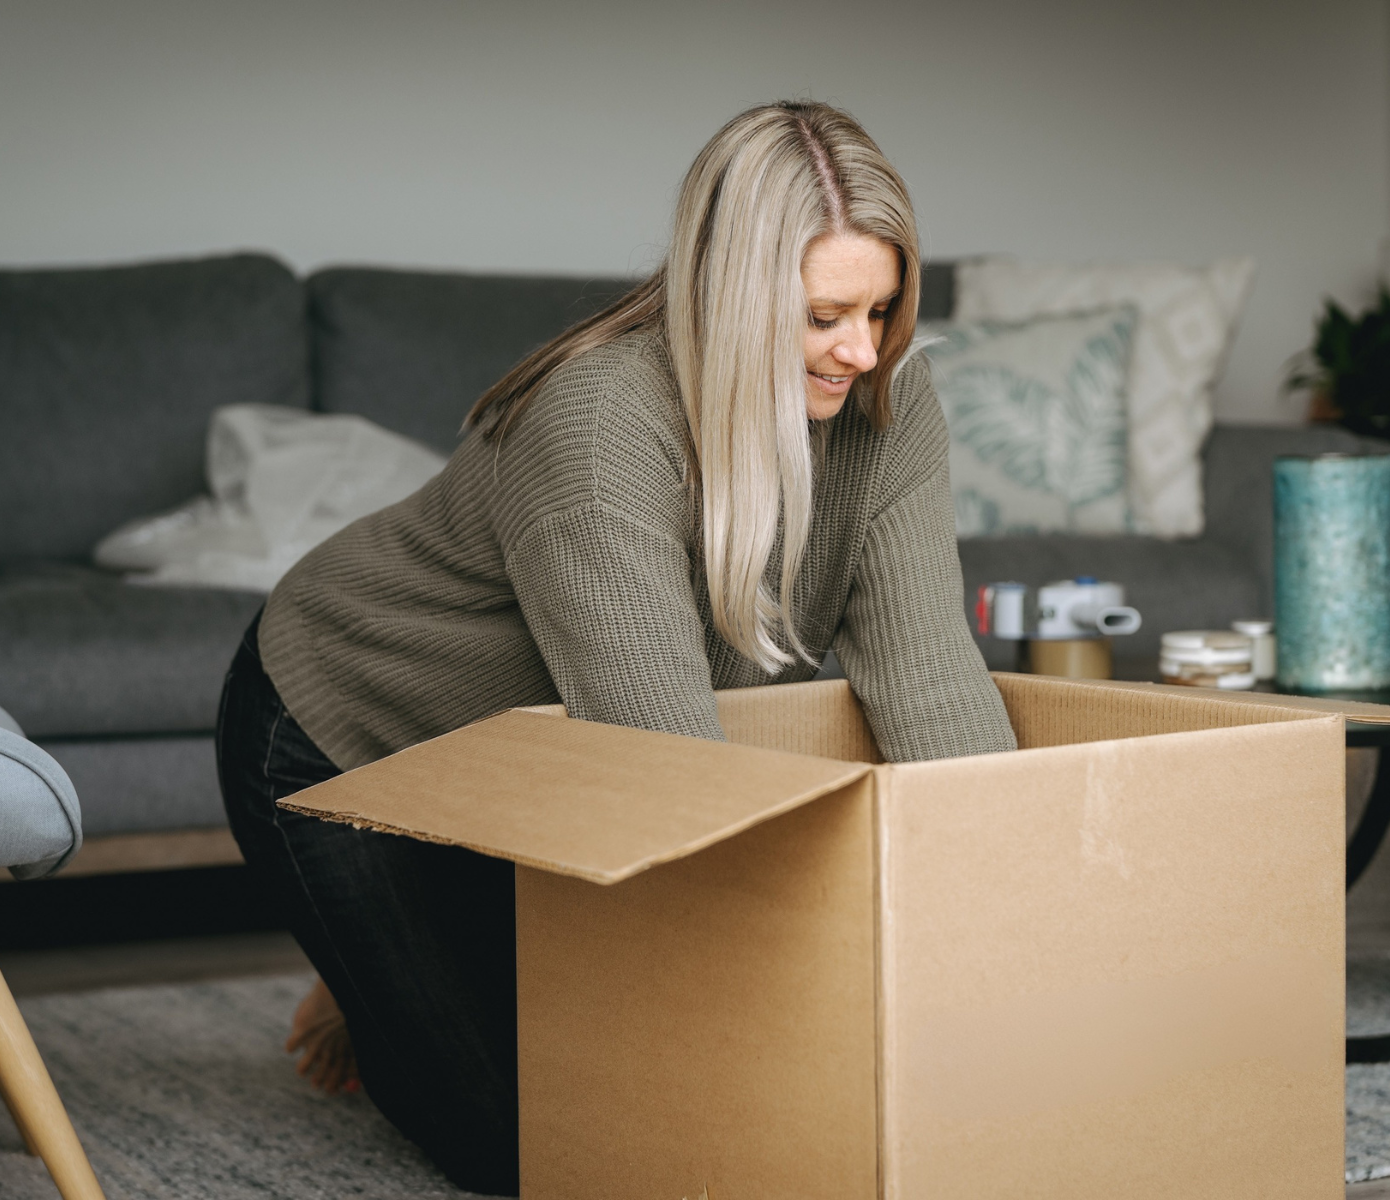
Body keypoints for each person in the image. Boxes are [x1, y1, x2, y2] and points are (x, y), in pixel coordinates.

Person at [215, 99, 1016, 1196]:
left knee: (647, 1072)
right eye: (827, 314)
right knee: (545, 1147)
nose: (860, 351)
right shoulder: (597, 424)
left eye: (883, 310)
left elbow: (930, 684)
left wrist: (1019, 904)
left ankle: (418, 955)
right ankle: (373, 964)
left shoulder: (887, 398)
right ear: (730, 302)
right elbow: (671, 776)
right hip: (351, 743)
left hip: (529, 760)